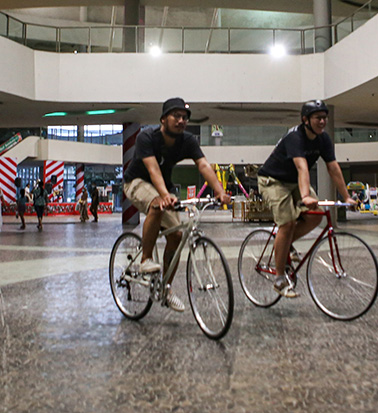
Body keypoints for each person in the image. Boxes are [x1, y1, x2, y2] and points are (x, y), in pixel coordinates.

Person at [122, 97, 231, 312]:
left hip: (164, 186)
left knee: (177, 235)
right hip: (136, 182)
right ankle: (145, 259)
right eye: (176, 116)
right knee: (156, 204)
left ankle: (165, 288)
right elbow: (153, 170)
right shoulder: (147, 137)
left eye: (185, 117)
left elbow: (203, 165)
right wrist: (164, 195)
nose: (181, 121)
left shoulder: (188, 141)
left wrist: (219, 191)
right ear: (163, 119)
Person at [257, 100, 355, 298]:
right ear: (305, 120)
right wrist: (304, 196)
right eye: (318, 118)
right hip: (273, 180)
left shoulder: (323, 139)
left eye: (324, 118)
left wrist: (347, 196)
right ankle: (279, 278)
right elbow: (302, 167)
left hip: (294, 181)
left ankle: (283, 245)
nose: (322, 121)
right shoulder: (295, 137)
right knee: (288, 222)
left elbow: (333, 168)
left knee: (316, 214)